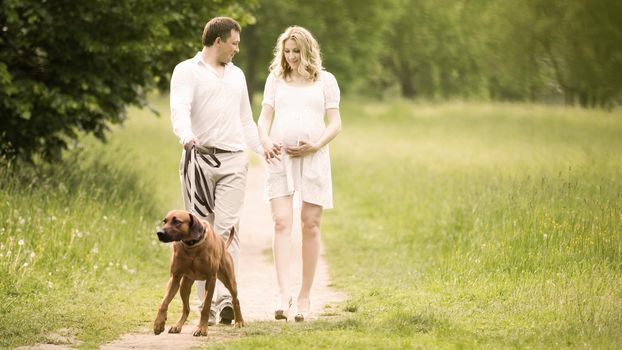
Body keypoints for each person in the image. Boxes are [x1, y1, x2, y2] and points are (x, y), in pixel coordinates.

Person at [169, 16, 263, 325]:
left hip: (234, 159)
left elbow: (246, 120)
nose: (237, 49)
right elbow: (180, 109)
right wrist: (186, 137)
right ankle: (204, 305)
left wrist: (263, 150)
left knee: (225, 230)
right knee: (197, 233)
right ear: (218, 42)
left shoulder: (237, 76)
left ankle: (223, 299)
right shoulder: (186, 71)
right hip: (198, 160)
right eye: (234, 43)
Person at [256, 26, 342, 322]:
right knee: (281, 221)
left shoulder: (325, 81)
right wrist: (265, 141)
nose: (291, 57)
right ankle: (283, 293)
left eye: (296, 51)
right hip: (280, 158)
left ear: (307, 51)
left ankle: (305, 295)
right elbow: (264, 118)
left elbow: (335, 123)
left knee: (310, 224)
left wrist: (315, 145)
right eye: (287, 51)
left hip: (314, 157)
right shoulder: (275, 80)